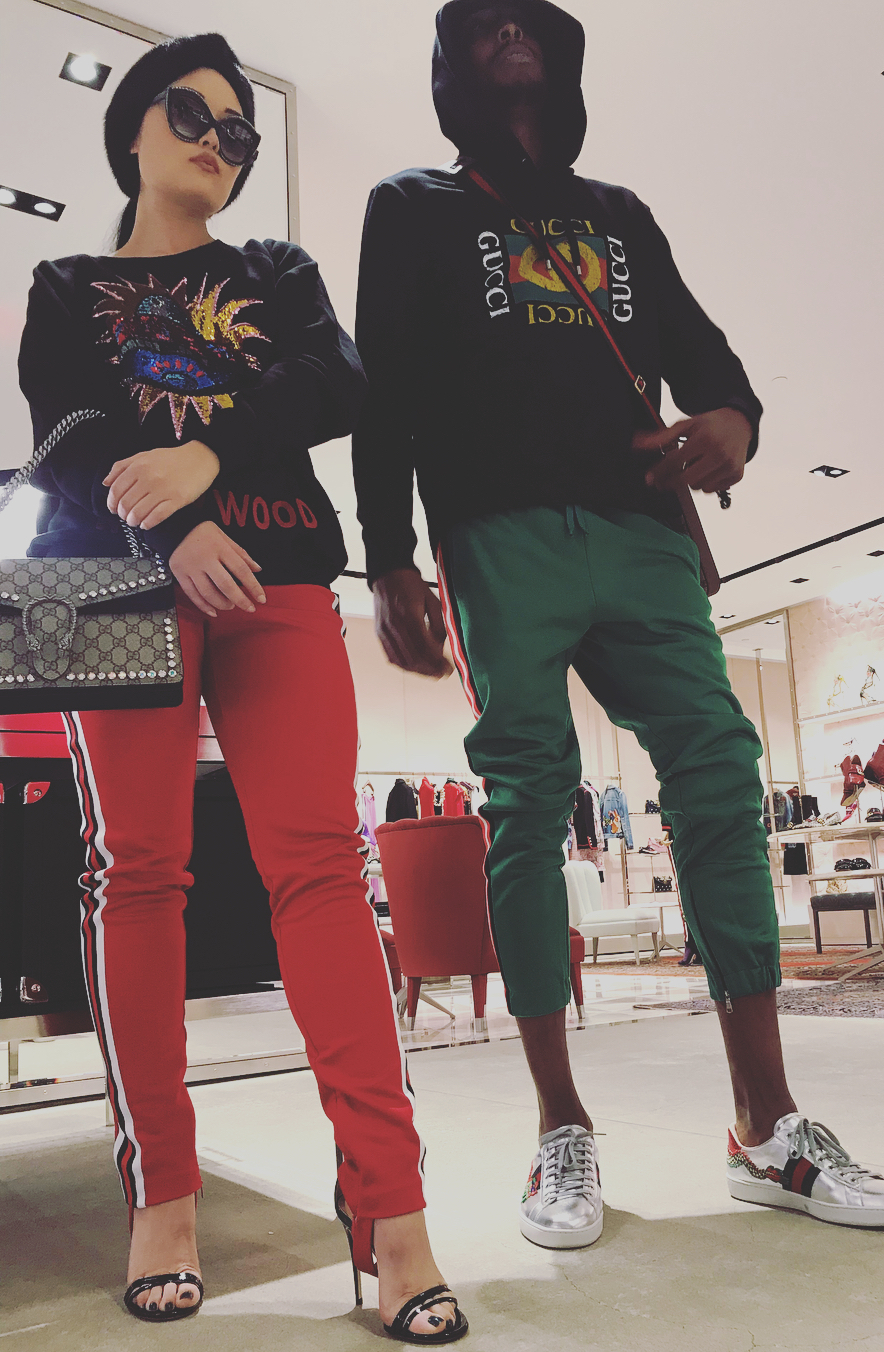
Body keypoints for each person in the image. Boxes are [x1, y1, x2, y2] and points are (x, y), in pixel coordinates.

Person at [353, 0, 884, 1250]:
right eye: (486, 22)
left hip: (644, 530)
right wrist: (387, 555)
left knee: (718, 764)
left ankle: (765, 1124)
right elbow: (384, 390)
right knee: (526, 792)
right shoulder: (412, 207)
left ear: (562, 58)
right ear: (453, 62)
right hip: (497, 532)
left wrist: (734, 427)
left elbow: (713, 365)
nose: (512, 32)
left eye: (531, 20)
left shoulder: (620, 214)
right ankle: (562, 1120)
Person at [18, 33, 466, 1342]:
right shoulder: (65, 283)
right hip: (101, 585)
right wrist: (169, 524)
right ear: (133, 127)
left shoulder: (273, 273)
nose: (221, 138)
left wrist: (207, 458)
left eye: (240, 128)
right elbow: (64, 431)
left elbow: (337, 379)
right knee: (135, 869)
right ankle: (161, 1193)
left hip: (277, 573)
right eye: (192, 113)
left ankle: (391, 1210)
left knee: (321, 869)